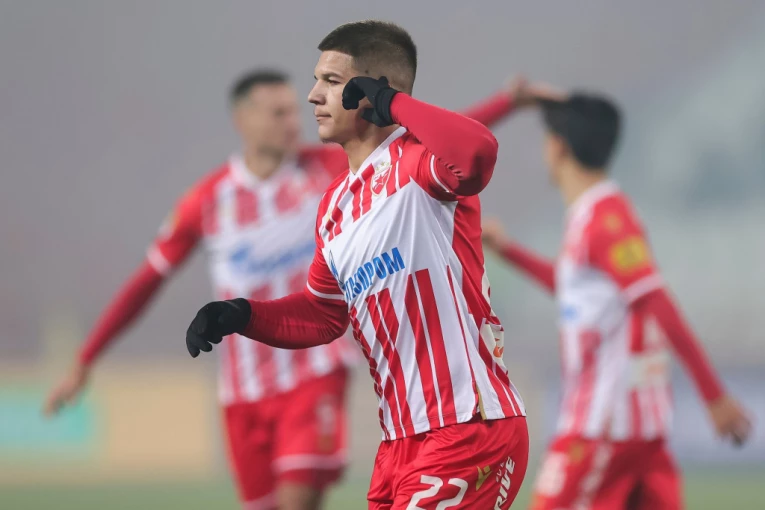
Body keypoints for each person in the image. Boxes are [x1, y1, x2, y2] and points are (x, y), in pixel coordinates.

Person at [185, 20, 530, 510]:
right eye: (316, 80)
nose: (313, 96)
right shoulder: (334, 206)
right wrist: (244, 315)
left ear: (372, 91)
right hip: (399, 445)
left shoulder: (418, 163)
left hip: (467, 429)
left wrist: (394, 104)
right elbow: (323, 314)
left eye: (330, 81)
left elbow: (477, 153)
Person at [481, 90, 752, 510]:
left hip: (602, 427)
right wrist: (509, 250)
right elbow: (576, 288)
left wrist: (713, 395)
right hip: (639, 433)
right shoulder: (594, 215)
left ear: (558, 147)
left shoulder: (605, 219)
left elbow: (655, 300)